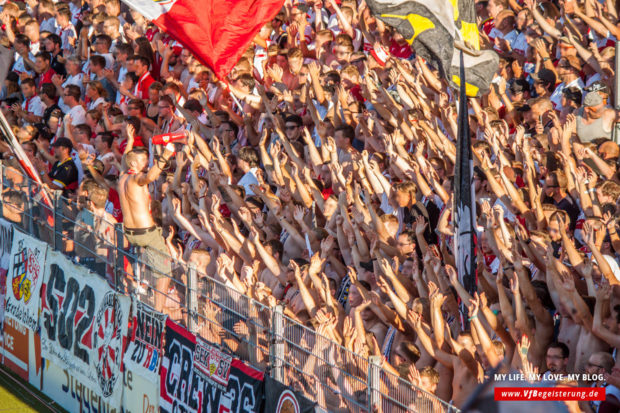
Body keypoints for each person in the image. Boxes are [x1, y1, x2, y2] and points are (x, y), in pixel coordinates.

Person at [118, 125, 176, 312]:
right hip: (146, 233)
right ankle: (158, 311)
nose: (146, 163)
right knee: (165, 272)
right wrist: (166, 155)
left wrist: (130, 140)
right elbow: (151, 176)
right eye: (143, 160)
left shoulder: (122, 177)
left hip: (130, 232)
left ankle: (142, 292)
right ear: (134, 164)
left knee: (153, 265)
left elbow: (124, 159)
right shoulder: (137, 179)